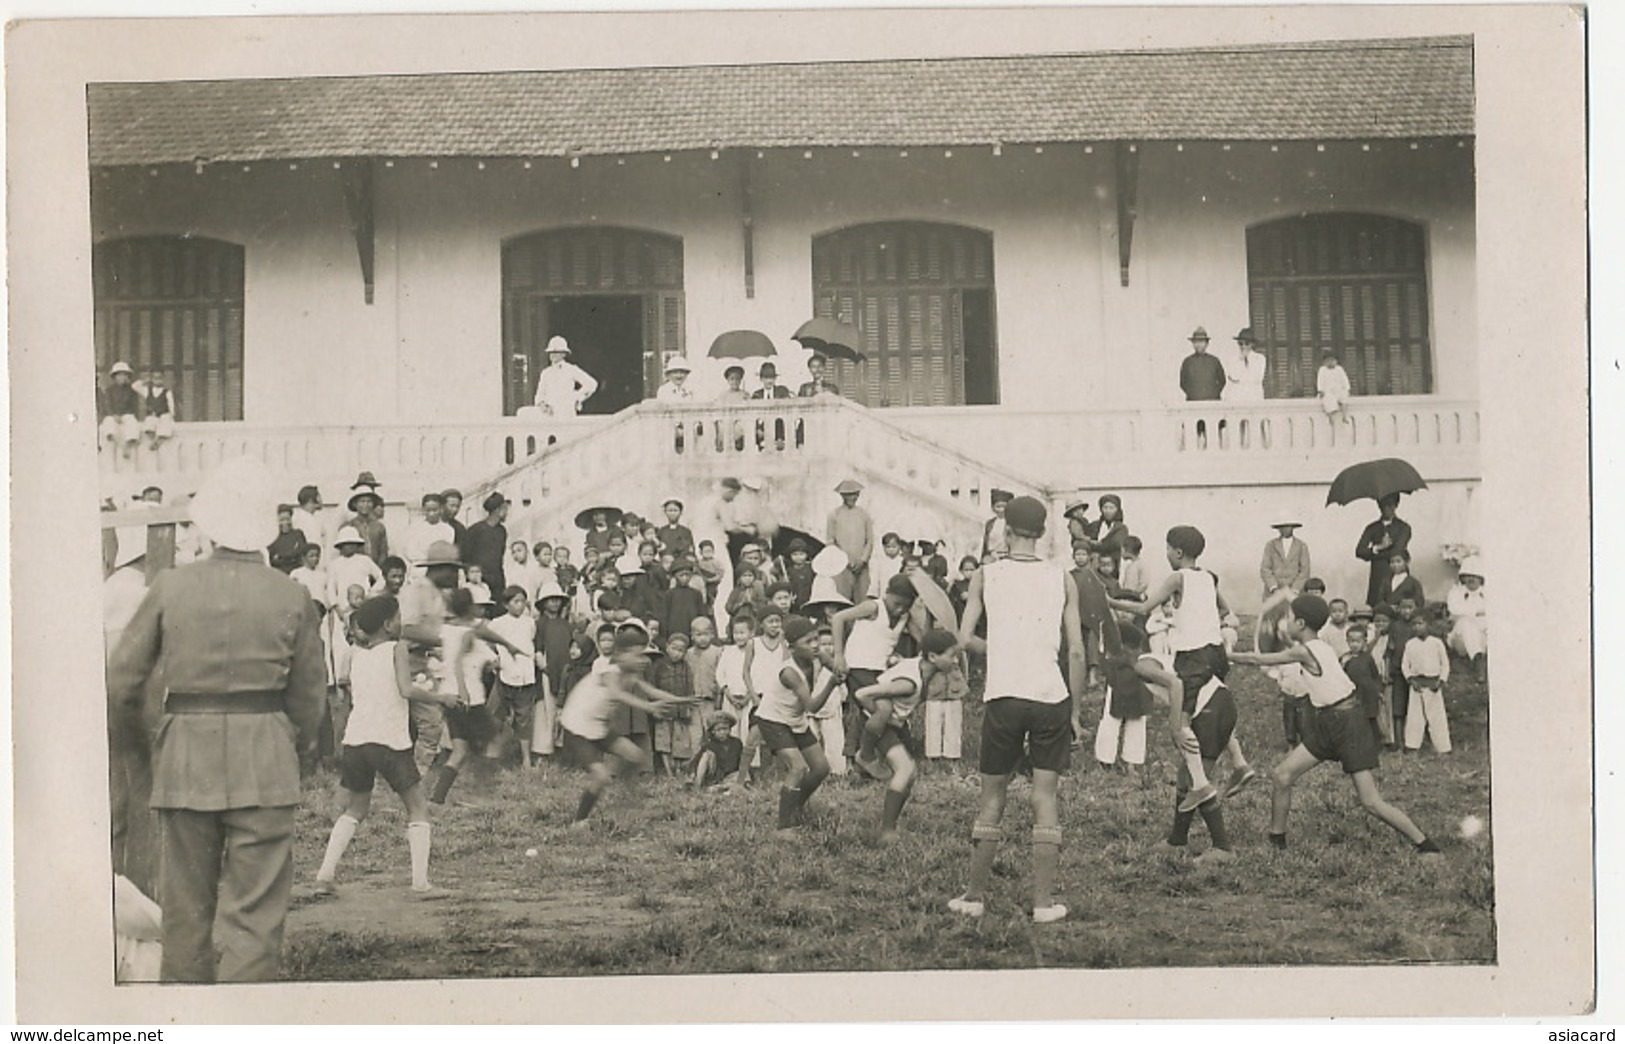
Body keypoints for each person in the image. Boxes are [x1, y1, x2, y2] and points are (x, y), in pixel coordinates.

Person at [106, 456, 326, 982]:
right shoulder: (293, 595)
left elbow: (120, 683)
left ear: (207, 524)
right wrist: (289, 749)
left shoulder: (168, 587)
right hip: (266, 764)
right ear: (265, 529)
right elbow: (309, 699)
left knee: (184, 918)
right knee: (255, 922)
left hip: (184, 763)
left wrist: (147, 744)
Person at [949, 496, 1086, 923]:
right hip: (1051, 696)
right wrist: (1077, 713)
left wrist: (1003, 649)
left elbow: (963, 638)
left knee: (992, 797)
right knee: (1045, 798)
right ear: (1043, 533)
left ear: (1004, 531)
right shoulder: (1063, 578)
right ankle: (1043, 905)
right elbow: (1077, 652)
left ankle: (973, 898)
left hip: (1005, 696)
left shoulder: (986, 575)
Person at [1232, 595, 1441, 854]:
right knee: (1282, 775)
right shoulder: (1320, 646)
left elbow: (1258, 660)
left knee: (1370, 802)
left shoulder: (1305, 650)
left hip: (1348, 723)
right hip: (1327, 721)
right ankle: (1277, 843)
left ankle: (1426, 845)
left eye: (1288, 619)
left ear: (1299, 623)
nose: (1285, 624)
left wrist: (1227, 655)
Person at [313, 594, 457, 899]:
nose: (401, 622)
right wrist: (440, 697)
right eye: (398, 617)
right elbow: (405, 690)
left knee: (356, 808)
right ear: (388, 624)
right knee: (417, 807)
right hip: (389, 739)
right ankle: (420, 884)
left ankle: (324, 875)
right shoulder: (398, 648)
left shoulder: (357, 655)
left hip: (356, 740)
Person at [1107, 525, 1234, 811]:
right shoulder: (1208, 577)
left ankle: (1200, 785)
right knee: (1212, 707)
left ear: (1177, 551)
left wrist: (1108, 601)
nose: (1165, 554)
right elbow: (1224, 611)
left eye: (1167, 548)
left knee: (1181, 726)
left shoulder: (1177, 578)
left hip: (1193, 658)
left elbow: (1142, 609)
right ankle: (1236, 764)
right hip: (1214, 654)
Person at [559, 627, 696, 825]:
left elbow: (651, 690)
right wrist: (648, 706)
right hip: (577, 727)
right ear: (621, 655)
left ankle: (626, 801)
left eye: (643, 654)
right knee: (601, 776)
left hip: (599, 727)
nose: (642, 660)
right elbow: (616, 693)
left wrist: (681, 700)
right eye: (637, 655)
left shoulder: (629, 674)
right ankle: (579, 820)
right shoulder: (609, 670)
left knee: (635, 756)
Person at [850, 628, 959, 840]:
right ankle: (887, 830)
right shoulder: (908, 683)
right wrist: (883, 715)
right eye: (951, 655)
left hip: (893, 725)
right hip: (878, 724)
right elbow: (862, 693)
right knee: (905, 769)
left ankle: (890, 825)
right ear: (933, 657)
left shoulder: (921, 669)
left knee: (910, 775)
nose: (955, 661)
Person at [755, 615, 840, 831]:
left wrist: (838, 662)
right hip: (773, 719)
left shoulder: (817, 653)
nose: (814, 645)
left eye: (815, 639)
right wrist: (831, 683)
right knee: (798, 768)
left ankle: (795, 807)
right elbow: (812, 707)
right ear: (792, 648)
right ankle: (785, 827)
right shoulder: (790, 672)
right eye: (807, 642)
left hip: (794, 719)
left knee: (821, 768)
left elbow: (839, 667)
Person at [830, 574, 918, 779]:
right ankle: (867, 756)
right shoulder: (874, 607)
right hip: (859, 667)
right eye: (896, 603)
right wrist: (839, 654)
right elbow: (838, 618)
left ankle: (859, 765)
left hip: (880, 671)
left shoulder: (903, 617)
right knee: (883, 710)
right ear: (887, 593)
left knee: (870, 716)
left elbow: (921, 638)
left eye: (904, 606)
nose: (899, 609)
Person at [428, 589, 500, 805]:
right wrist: (465, 689)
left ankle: (437, 796)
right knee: (492, 742)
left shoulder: (447, 630)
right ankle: (480, 794)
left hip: (450, 695)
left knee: (459, 750)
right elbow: (462, 662)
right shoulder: (469, 632)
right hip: (469, 697)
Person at [1402, 609, 1454, 754]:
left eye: (1420, 623)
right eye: (1414, 624)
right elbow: (1405, 665)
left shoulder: (1436, 643)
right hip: (1417, 684)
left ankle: (1443, 747)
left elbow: (1445, 664)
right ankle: (1412, 745)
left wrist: (1441, 680)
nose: (1417, 627)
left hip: (1433, 684)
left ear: (1429, 625)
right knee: (1415, 716)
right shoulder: (1410, 644)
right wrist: (1411, 679)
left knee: (1437, 716)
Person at [1355, 493, 1412, 609]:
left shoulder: (1404, 528)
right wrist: (1379, 547)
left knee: (1400, 606)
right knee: (1378, 606)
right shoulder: (1372, 528)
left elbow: (1397, 551)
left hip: (1397, 573)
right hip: (1378, 575)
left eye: (1390, 506)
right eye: (1383, 506)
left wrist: (1374, 554)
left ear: (1396, 506)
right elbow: (1359, 551)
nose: (1387, 509)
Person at [825, 478, 874, 603]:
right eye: (850, 494)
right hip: (842, 567)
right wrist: (842, 560)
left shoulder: (864, 514)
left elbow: (870, 540)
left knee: (862, 600)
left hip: (861, 566)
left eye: (856, 494)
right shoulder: (834, 515)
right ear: (843, 496)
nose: (854, 497)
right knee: (842, 600)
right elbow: (830, 542)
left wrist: (863, 560)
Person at [1342, 622, 1386, 745]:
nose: (1354, 644)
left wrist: (1378, 691)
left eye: (1358, 641)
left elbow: (1375, 676)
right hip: (1354, 695)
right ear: (1347, 641)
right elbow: (1341, 677)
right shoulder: (1346, 659)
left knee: (1370, 718)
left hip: (1368, 694)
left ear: (1365, 642)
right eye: (1351, 641)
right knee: (1355, 719)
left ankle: (1375, 742)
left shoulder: (1367, 658)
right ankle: (1356, 743)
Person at [533, 335, 599, 416]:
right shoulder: (546, 373)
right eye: (551, 352)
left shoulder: (571, 370)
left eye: (557, 352)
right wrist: (543, 405)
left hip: (567, 412)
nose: (553, 355)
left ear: (563, 354)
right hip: (550, 416)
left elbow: (591, 384)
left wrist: (577, 398)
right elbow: (539, 395)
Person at [464, 492, 511, 602]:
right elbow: (465, 556)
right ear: (498, 510)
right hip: (479, 581)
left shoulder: (502, 531)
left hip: (497, 582)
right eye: (505, 509)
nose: (507, 513)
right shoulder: (475, 530)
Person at [1446, 556, 1488, 682]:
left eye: (1475, 576)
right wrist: (1477, 613)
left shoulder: (1488, 593)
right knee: (1465, 623)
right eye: (1467, 575)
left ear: (1481, 578)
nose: (1471, 579)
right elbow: (1455, 610)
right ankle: (1478, 661)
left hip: (1483, 635)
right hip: (1461, 640)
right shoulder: (1456, 593)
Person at [344, 472, 389, 568]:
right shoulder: (350, 526)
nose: (365, 505)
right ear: (355, 504)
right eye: (362, 501)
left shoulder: (379, 527)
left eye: (369, 501)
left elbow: (383, 552)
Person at [99, 361, 142, 457]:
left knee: (131, 421)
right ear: (114, 377)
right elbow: (107, 404)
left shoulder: (131, 391)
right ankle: (120, 445)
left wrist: (125, 415)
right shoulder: (109, 390)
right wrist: (113, 414)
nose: (122, 378)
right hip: (113, 415)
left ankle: (128, 445)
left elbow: (134, 406)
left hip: (126, 415)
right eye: (119, 375)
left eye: (125, 375)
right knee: (108, 422)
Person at [1259, 520, 1312, 599]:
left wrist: (1295, 589)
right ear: (1278, 529)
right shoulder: (1271, 545)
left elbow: (1305, 570)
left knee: (1295, 609)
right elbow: (1265, 568)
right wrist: (1273, 588)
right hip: (1274, 592)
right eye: (1282, 527)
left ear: (1292, 527)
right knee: (1273, 609)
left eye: (1288, 526)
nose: (1285, 529)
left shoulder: (1301, 546)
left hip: (1295, 592)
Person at [692, 712, 744, 791]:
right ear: (713, 732)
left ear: (730, 729)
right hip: (715, 776)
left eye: (725, 729)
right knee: (707, 755)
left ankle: (721, 788)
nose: (722, 732)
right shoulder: (709, 745)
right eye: (718, 730)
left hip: (731, 775)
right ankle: (698, 786)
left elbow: (742, 761)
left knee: (741, 776)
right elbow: (696, 762)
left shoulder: (736, 743)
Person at [404, 492, 455, 566]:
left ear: (441, 509)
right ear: (423, 509)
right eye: (428, 510)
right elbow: (411, 553)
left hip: (439, 568)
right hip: (419, 568)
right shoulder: (415, 528)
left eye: (435, 510)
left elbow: (445, 554)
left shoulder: (448, 530)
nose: (431, 514)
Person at [1178, 327, 1226, 402]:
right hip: (1193, 402)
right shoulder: (1187, 362)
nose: (1198, 345)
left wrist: (1212, 394)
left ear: (1206, 343)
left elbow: (1222, 381)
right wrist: (1193, 394)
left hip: (1212, 402)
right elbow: (1183, 383)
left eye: (1201, 341)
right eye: (1196, 342)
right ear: (1193, 344)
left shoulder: (1214, 361)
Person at [135, 369, 178, 448]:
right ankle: (155, 441)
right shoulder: (148, 391)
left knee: (165, 427)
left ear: (163, 379)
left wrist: (171, 416)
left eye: (160, 378)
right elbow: (135, 386)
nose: (158, 380)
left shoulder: (167, 392)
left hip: (164, 415)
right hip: (153, 416)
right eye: (155, 378)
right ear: (152, 379)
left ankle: (158, 441)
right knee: (148, 426)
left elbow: (171, 406)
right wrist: (146, 380)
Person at [1375, 548, 1426, 614]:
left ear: (1406, 562)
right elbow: (1380, 601)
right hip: (1388, 617)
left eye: (1398, 561)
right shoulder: (1386, 582)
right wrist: (1387, 608)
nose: (1395, 565)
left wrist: (1402, 608)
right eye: (1392, 562)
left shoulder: (1413, 583)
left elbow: (1419, 603)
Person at [1225, 328, 1267, 402]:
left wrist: (1248, 358)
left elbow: (1256, 378)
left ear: (1252, 344)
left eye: (1246, 343)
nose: (1243, 346)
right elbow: (1234, 377)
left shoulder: (1259, 359)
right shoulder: (1233, 360)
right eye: (1240, 343)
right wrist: (1240, 360)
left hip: (1254, 397)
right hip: (1238, 399)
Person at [1316, 349, 1353, 430]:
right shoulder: (1322, 370)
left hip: (1338, 390)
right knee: (1327, 401)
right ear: (1324, 362)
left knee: (1344, 398)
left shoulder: (1339, 369)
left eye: (1332, 360)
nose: (1330, 362)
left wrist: (1347, 388)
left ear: (1336, 361)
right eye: (1328, 361)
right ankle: (1330, 418)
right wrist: (1321, 390)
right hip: (1328, 391)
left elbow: (1344, 379)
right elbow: (1320, 380)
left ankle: (1344, 416)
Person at [1087, 494, 1129, 566]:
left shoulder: (1121, 528)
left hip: (1112, 564)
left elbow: (1114, 544)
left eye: (1111, 508)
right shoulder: (1094, 526)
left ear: (1117, 509)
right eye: (1105, 508)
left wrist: (1095, 545)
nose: (1108, 511)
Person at [267, 504, 308, 574]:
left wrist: (281, 557)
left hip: (296, 573)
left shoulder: (298, 534)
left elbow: (302, 553)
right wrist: (292, 557)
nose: (285, 522)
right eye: (282, 520)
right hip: (278, 574)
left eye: (288, 519)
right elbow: (272, 560)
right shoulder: (272, 536)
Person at [981, 489, 1013, 561]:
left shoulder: (1012, 523)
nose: (1001, 510)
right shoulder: (990, 523)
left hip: (1007, 556)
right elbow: (985, 543)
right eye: (998, 506)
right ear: (993, 508)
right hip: (992, 555)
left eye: (1004, 506)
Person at [441, 489, 468, 553]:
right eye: (452, 506)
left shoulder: (459, 528)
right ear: (442, 506)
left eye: (457, 506)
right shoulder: (429, 525)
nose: (455, 510)